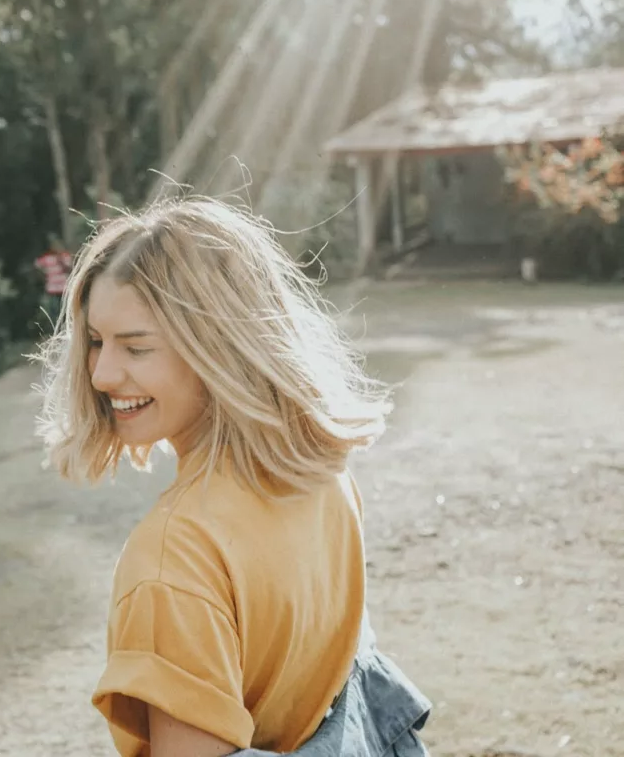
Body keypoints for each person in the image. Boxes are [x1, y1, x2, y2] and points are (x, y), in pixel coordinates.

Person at [37, 197, 431, 757]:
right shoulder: (319, 473)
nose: (101, 374)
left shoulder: (174, 556)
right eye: (97, 341)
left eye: (136, 346)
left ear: (218, 346)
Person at [34, 235, 73, 326]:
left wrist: (60, 259)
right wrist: (43, 274)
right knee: (54, 313)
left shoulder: (64, 256)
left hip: (64, 289)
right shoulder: (46, 258)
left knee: (66, 311)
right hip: (52, 289)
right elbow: (37, 265)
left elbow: (70, 267)